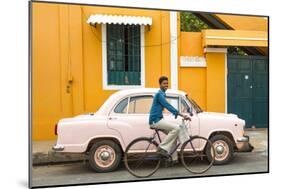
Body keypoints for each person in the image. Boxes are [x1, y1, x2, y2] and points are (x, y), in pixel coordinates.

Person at [149, 76, 190, 162]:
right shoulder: (159, 94)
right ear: (160, 84)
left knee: (174, 134)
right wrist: (182, 115)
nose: (166, 85)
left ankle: (173, 159)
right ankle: (162, 148)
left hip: (158, 119)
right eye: (164, 83)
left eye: (167, 83)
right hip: (155, 120)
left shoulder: (162, 94)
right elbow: (168, 106)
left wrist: (177, 114)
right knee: (177, 128)